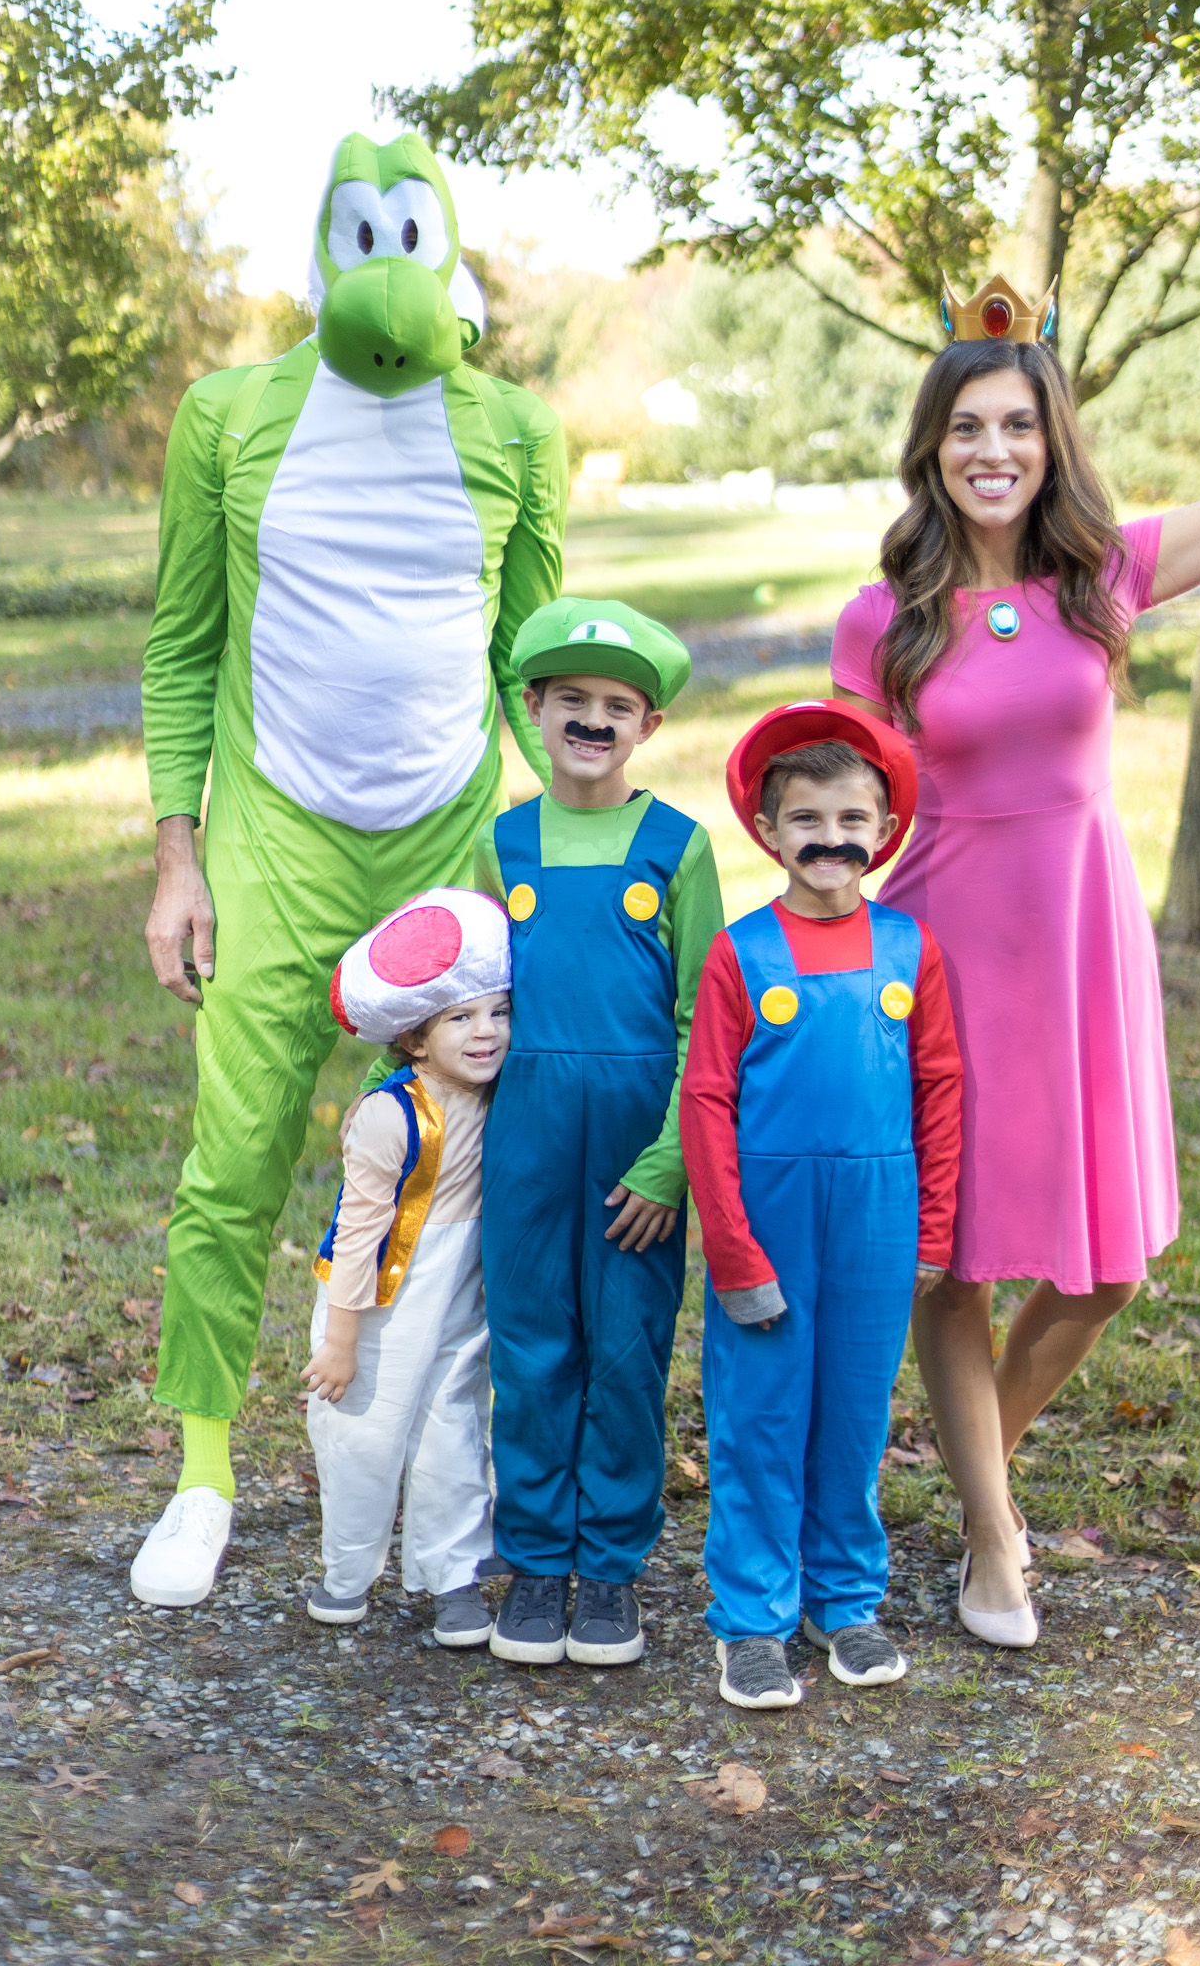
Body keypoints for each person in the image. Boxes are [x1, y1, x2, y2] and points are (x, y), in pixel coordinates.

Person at [829, 268, 1200, 1646]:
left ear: (1050, 443)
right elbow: (838, 796)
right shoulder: (885, 615)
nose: (993, 452)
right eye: (966, 430)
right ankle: (993, 1535)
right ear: (931, 451)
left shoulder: (1095, 577)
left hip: (1079, 954)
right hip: (938, 956)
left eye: (1016, 428)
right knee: (955, 1264)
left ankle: (966, 1452)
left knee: (1103, 1264)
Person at [130, 130, 565, 1611]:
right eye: (359, 236)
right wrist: (177, 857)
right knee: (235, 1164)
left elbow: (534, 659)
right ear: (326, 247)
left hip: (446, 847)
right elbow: (186, 641)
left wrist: (564, 852)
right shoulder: (228, 414)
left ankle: (437, 1464)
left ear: (445, 246)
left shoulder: (513, 428)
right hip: (270, 840)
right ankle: (201, 1472)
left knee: (453, 1178)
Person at [680, 701, 962, 1709]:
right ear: (769, 830)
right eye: (808, 820)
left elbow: (939, 1086)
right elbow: (706, 1101)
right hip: (770, 1214)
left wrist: (931, 1227)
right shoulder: (740, 952)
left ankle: (843, 1599)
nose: (832, 839)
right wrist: (733, 1248)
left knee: (851, 1412)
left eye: (853, 819)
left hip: (879, 1218)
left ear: (883, 832)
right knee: (760, 1413)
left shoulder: (907, 947)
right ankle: (753, 1617)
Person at [475, 596, 725, 1667]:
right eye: (568, 699)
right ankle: (535, 1559)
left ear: (648, 726)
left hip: (637, 1147)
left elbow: (701, 1020)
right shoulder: (505, 842)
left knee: (625, 1349)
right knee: (533, 1345)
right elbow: (473, 995)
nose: (589, 718)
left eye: (614, 704)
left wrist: (671, 1162)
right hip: (525, 1133)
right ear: (532, 709)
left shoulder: (678, 845)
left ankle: (611, 1567)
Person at [299, 889, 510, 1644]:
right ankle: (347, 1573)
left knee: (453, 1422)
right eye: (461, 1018)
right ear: (416, 1039)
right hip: (381, 1298)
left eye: (497, 1012)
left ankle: (452, 1577)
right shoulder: (391, 1116)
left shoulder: (502, 1099)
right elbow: (356, 1234)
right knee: (364, 1431)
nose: (485, 1032)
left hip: (461, 1287)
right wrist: (343, 1338)